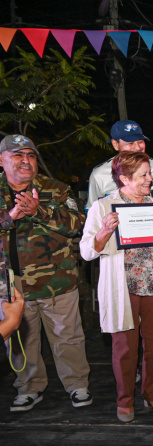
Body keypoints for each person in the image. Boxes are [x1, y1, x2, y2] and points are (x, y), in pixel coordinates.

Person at [80, 151, 153, 422]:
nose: (151, 178)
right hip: (123, 288)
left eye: (150, 173)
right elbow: (87, 251)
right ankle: (125, 400)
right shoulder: (103, 208)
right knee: (124, 348)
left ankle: (152, 393)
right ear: (124, 178)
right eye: (144, 174)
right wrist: (103, 232)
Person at [0, 134, 92, 412]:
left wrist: (39, 211)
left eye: (30, 156)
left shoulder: (57, 189)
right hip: (12, 287)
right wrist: (10, 217)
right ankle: (29, 388)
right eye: (18, 156)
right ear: (1, 160)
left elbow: (78, 224)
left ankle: (77, 384)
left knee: (68, 337)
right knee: (21, 340)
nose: (25, 161)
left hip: (57, 282)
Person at [86, 120, 153, 209]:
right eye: (130, 143)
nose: (137, 147)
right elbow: (92, 211)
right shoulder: (100, 174)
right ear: (115, 144)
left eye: (140, 142)